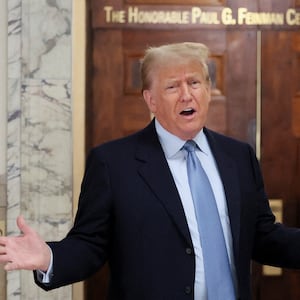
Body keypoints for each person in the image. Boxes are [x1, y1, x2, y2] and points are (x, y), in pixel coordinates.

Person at [1, 42, 300, 300]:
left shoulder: (238, 157)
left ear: (208, 90)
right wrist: (48, 258)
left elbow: (262, 236)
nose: (186, 95)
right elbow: (90, 245)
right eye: (172, 86)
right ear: (150, 100)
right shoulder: (113, 163)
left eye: (194, 83)